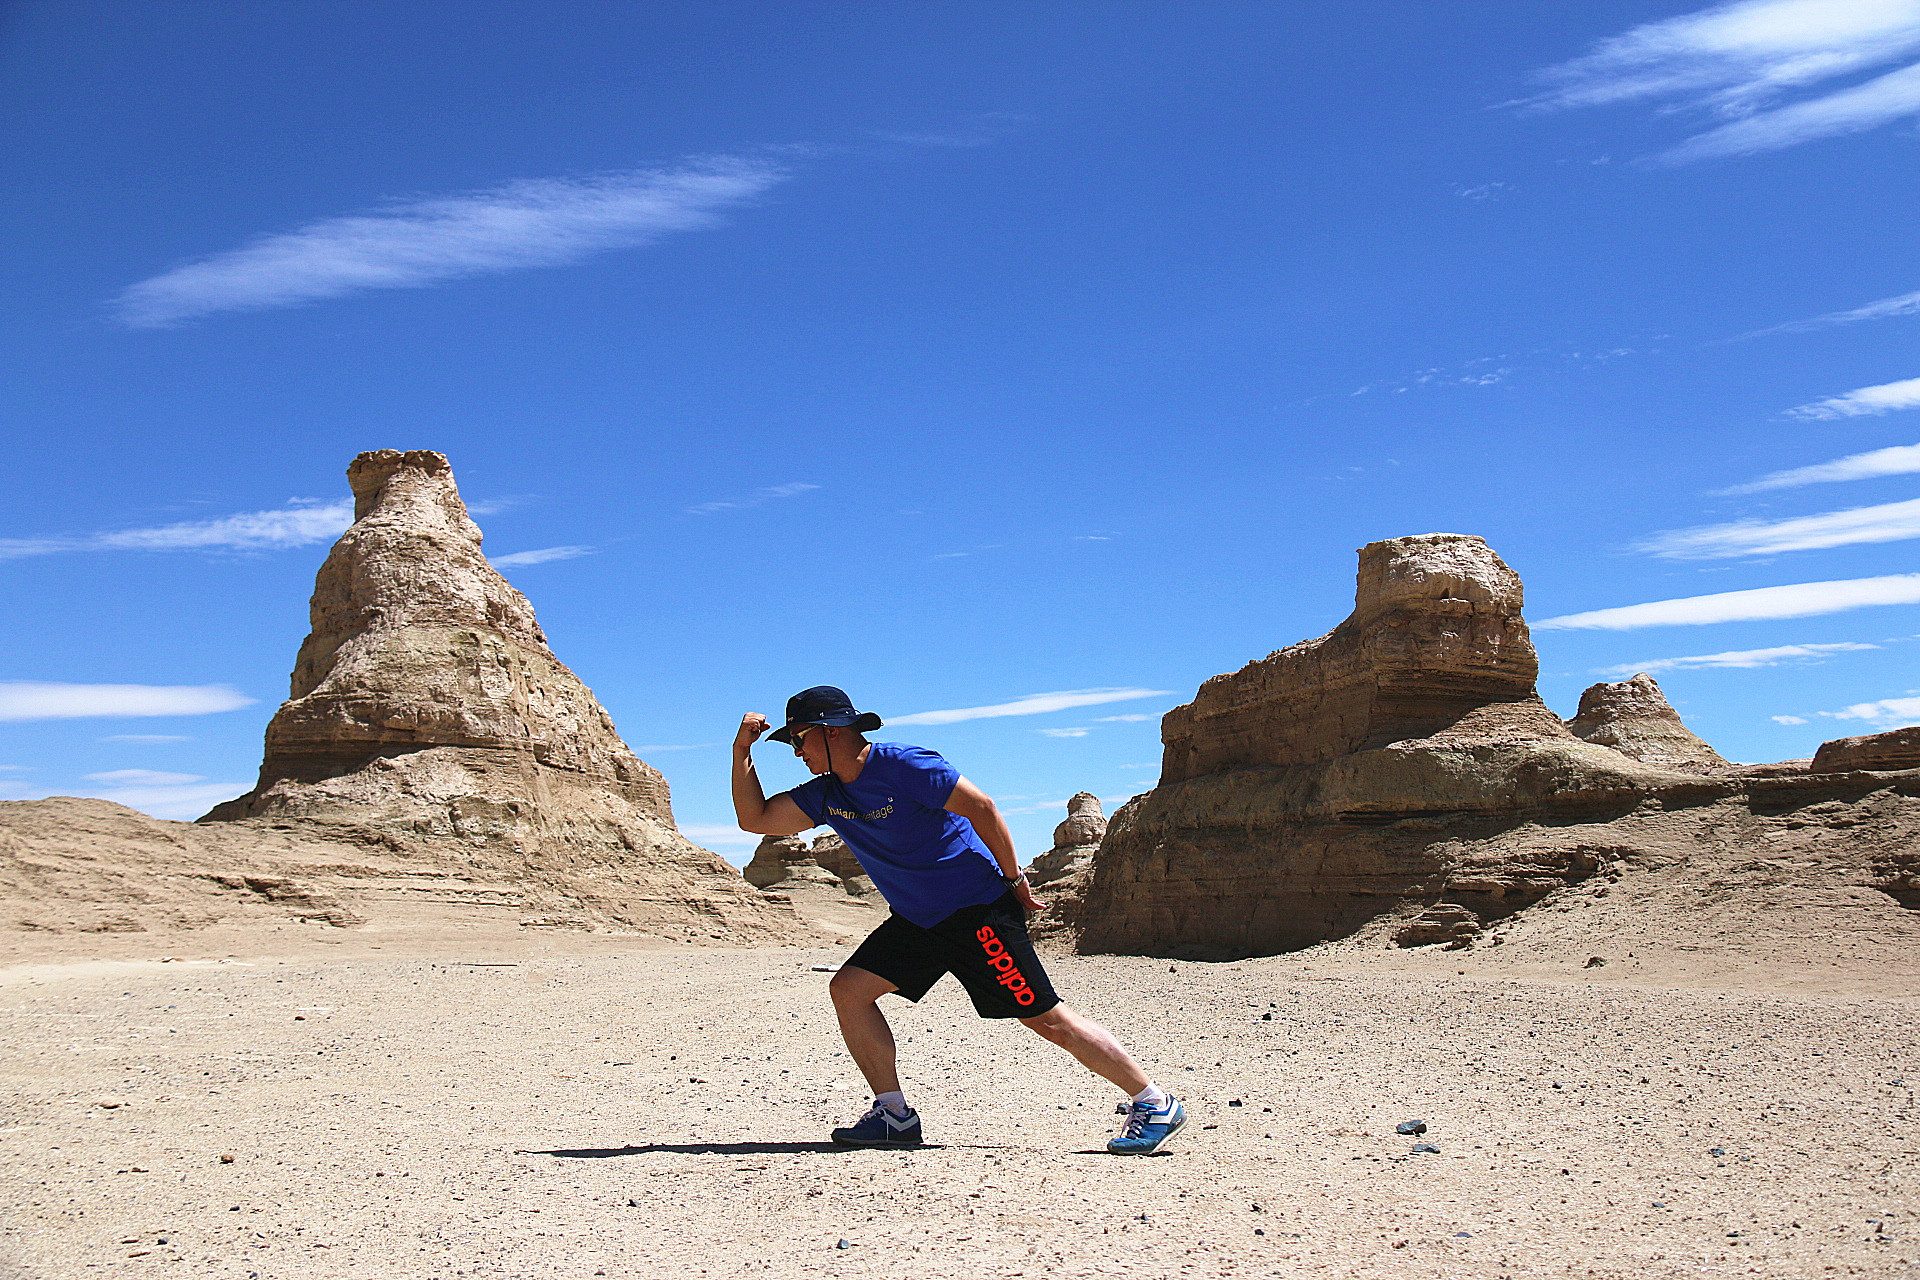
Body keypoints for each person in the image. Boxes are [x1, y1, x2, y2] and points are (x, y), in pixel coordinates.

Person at [731, 685, 1185, 1155]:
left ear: (830, 731)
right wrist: (741, 750)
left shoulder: (904, 764)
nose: (796, 751)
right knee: (848, 989)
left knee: (1046, 1020)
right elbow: (755, 818)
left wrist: (1014, 880)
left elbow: (983, 808)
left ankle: (1154, 1102)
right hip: (918, 920)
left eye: (799, 739)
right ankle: (894, 1116)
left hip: (976, 910)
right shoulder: (826, 794)